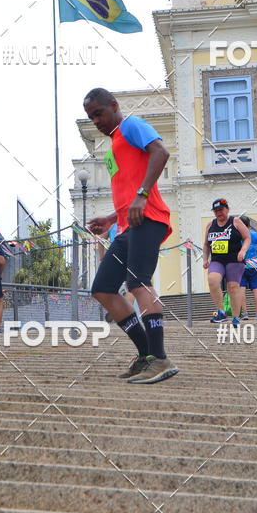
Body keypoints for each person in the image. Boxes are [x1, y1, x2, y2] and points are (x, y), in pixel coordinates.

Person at [85, 88, 178, 384]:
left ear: (113, 106)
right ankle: (145, 356)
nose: (96, 121)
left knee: (137, 283)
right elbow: (128, 185)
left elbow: (161, 152)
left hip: (149, 217)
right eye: (91, 117)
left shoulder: (132, 125)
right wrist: (111, 218)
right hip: (127, 225)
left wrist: (142, 194)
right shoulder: (113, 144)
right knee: (102, 288)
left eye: (99, 113)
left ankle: (160, 358)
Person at [203, 198, 250, 328]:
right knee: (212, 280)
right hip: (217, 259)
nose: (219, 213)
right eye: (216, 211)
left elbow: (247, 237)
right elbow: (206, 245)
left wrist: (243, 251)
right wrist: (205, 259)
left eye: (221, 210)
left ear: (227, 209)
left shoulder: (235, 221)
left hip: (234, 259)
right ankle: (221, 312)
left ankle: (235, 317)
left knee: (233, 287)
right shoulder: (210, 225)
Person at [238, 214, 257, 319]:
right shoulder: (255, 234)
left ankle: (245, 313)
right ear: (249, 225)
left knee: (242, 288)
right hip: (254, 265)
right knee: (256, 288)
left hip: (241, 264)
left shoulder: (238, 236)